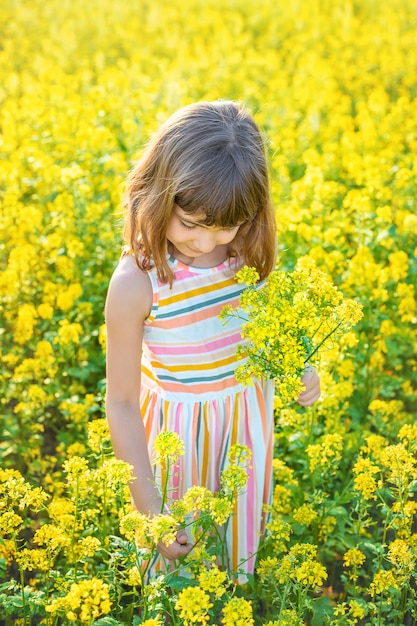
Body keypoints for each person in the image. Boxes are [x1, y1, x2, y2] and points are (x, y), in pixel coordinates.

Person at [105, 100, 320, 582]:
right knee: (178, 581)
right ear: (157, 193)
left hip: (241, 434)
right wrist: (153, 512)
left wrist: (301, 372)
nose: (206, 243)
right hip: (177, 444)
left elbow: (268, 339)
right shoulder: (137, 282)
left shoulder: (243, 258)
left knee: (230, 570)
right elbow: (119, 402)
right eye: (191, 224)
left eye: (224, 225)